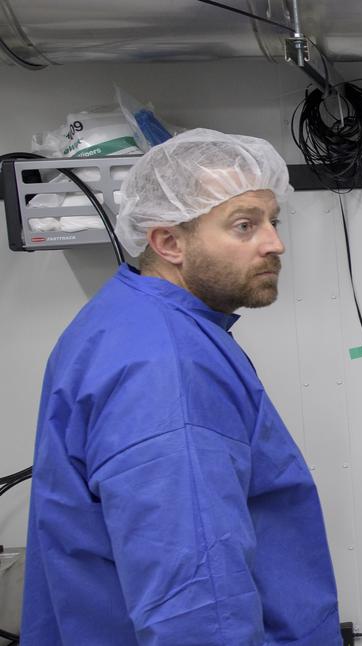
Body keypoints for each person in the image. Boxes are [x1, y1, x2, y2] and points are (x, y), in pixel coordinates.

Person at [21, 129, 341, 645]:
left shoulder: (130, 318)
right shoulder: (164, 366)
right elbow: (196, 601)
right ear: (168, 242)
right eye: (244, 226)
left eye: (272, 222)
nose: (275, 243)